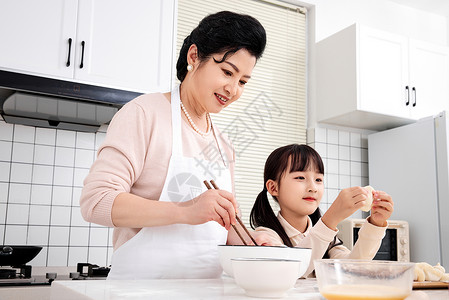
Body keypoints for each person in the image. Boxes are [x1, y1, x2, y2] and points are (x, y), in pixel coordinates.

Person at [80, 11, 266, 279]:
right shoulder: (144, 114)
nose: (233, 89)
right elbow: (95, 202)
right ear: (194, 57)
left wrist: (252, 241)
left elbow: (221, 229)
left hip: (208, 292)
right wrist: (186, 210)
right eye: (227, 72)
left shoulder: (223, 144)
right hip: (139, 291)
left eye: (243, 82)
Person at [250, 144, 394, 277]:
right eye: (300, 177)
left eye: (318, 180)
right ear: (273, 188)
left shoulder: (328, 239)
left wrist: (376, 223)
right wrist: (330, 220)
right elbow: (290, 271)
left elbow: (353, 269)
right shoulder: (264, 237)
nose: (313, 187)